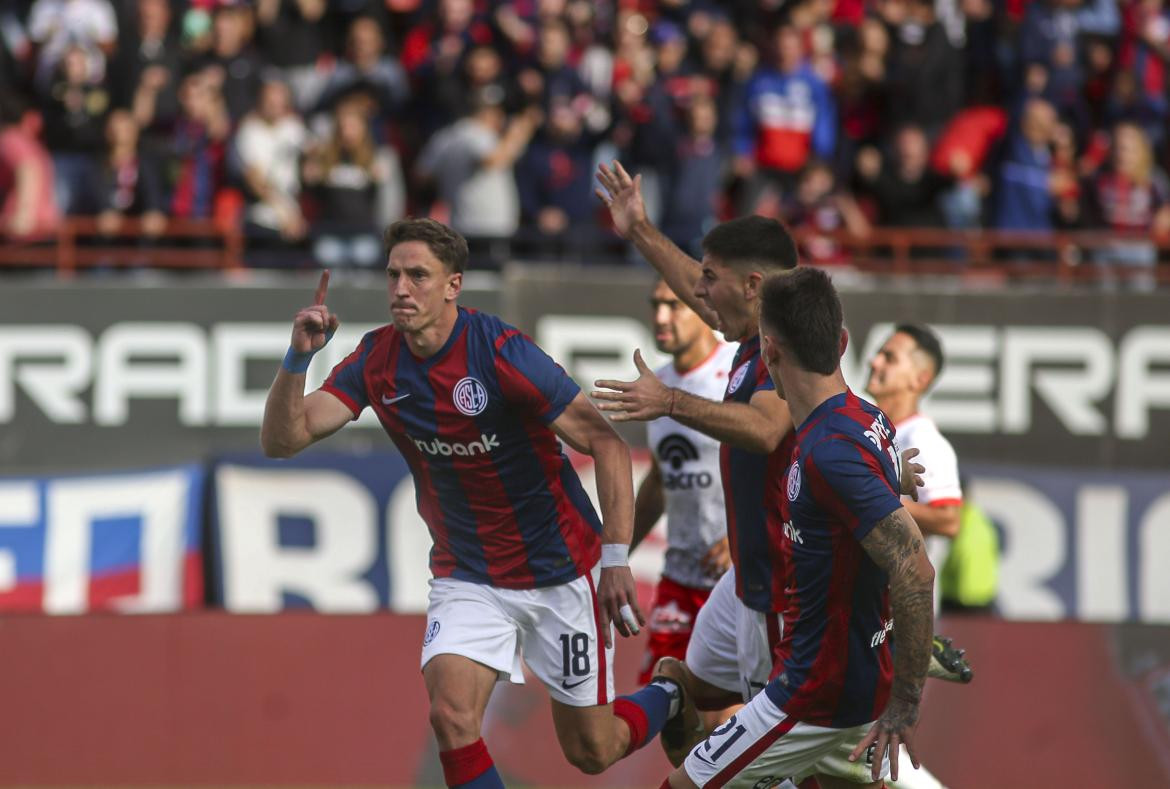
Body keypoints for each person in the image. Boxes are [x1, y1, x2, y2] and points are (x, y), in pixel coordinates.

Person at [260, 218, 697, 787]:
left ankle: (672, 690)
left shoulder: (501, 352)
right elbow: (283, 439)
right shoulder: (376, 360)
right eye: (393, 275)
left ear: (453, 285)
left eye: (418, 275)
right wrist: (298, 358)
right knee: (450, 716)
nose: (400, 289)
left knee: (593, 751)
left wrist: (615, 559)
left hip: (560, 570)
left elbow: (607, 444)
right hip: (468, 574)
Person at [664, 267, 936, 789]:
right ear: (843, 341)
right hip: (848, 679)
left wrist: (906, 703)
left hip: (814, 694)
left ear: (768, 353)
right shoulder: (864, 415)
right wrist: (889, 475)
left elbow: (915, 569)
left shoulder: (830, 450)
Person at [630, 279, 737, 690]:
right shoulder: (657, 385)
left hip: (739, 581)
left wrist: (742, 540)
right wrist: (614, 555)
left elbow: (780, 465)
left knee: (728, 715)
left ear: (705, 309)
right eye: (655, 305)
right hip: (680, 577)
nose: (660, 318)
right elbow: (659, 480)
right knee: (667, 699)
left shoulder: (740, 374)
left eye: (673, 306)